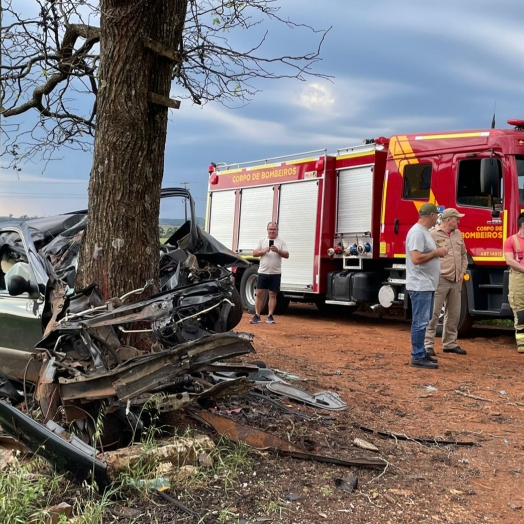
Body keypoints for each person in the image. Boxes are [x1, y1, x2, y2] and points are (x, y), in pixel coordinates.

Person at [406, 203, 447, 369]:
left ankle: (421, 353)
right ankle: (417, 356)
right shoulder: (417, 232)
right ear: (431, 216)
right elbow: (416, 259)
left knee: (424, 320)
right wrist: (436, 253)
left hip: (426, 284)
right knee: (420, 322)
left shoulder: (423, 232)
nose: (437, 218)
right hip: (420, 285)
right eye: (436, 215)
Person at [424, 208, 468, 356]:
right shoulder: (432, 235)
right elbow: (425, 256)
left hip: (456, 280)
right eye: (457, 218)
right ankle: (427, 344)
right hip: (439, 280)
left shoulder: (458, 234)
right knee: (433, 313)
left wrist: (462, 272)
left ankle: (450, 343)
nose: (459, 221)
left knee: (454, 314)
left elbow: (463, 255)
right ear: (448, 219)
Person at [250, 222, 289, 324]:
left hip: (275, 273)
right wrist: (263, 251)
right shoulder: (262, 241)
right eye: (270, 229)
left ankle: (270, 316)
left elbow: (286, 255)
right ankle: (257, 315)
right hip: (263, 272)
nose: (272, 231)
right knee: (259, 293)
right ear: (267, 230)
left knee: (273, 294)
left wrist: (277, 250)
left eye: (274, 229)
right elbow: (254, 253)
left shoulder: (281, 242)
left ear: (277, 230)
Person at [503, 212, 524, 353]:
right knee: (520, 308)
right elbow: (509, 261)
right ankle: (521, 342)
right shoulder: (511, 241)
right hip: (519, 277)